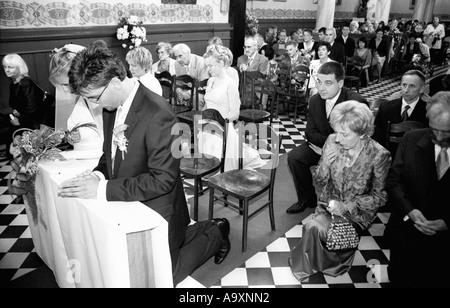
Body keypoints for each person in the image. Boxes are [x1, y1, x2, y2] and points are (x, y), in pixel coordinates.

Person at [57, 46, 230, 286]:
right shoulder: (110, 105)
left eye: (94, 97)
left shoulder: (160, 113)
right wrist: (97, 175)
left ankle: (216, 233)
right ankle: (196, 230)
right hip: (130, 199)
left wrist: (101, 190)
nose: (93, 104)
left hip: (159, 206)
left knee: (163, 277)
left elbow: (163, 180)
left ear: (116, 82)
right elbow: (110, 155)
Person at [289, 100, 391, 281]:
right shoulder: (332, 141)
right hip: (327, 205)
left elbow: (380, 197)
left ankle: (324, 264)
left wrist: (347, 206)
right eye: (336, 132)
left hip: (357, 214)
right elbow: (319, 181)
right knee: (314, 228)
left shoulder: (378, 155)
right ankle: (319, 262)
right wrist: (326, 163)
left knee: (314, 228)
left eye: (344, 134)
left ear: (362, 134)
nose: (337, 138)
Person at [385, 91, 450, 288]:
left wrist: (447, 223)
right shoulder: (411, 139)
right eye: (434, 129)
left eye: (447, 131)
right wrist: (410, 211)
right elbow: (394, 181)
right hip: (407, 236)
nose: (439, 136)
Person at [286, 61, 368, 214]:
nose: (321, 88)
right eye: (319, 82)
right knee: (295, 157)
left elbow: (360, 140)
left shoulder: (355, 102)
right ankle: (307, 198)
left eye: (328, 83)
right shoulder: (315, 100)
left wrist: (331, 147)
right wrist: (326, 146)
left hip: (348, 150)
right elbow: (309, 133)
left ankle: (345, 204)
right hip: (319, 146)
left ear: (340, 83)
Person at [199, 44, 266, 171]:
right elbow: (207, 106)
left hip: (223, 129)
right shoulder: (210, 81)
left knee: (220, 164)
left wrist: (217, 123)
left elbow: (235, 114)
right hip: (208, 127)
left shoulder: (230, 84)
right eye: (206, 66)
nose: (208, 69)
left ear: (221, 62)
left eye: (210, 65)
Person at [48, 43, 104, 159]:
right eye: (61, 85)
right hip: (84, 154)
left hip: (98, 156)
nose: (64, 89)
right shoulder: (81, 101)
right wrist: (72, 137)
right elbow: (73, 128)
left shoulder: (98, 97)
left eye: (66, 84)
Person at [372, 70, 429, 157]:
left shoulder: (428, 111)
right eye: (404, 85)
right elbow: (377, 138)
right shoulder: (386, 108)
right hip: (388, 157)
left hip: (416, 158)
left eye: (412, 86)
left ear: (421, 89)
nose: (406, 90)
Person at [0, 54, 44, 156]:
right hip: (24, 120)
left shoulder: (25, 82)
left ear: (19, 67)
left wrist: (19, 120)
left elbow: (33, 108)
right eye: (5, 67)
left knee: (21, 155)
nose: (7, 70)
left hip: (33, 123)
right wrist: (17, 112)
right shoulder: (14, 83)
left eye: (10, 67)